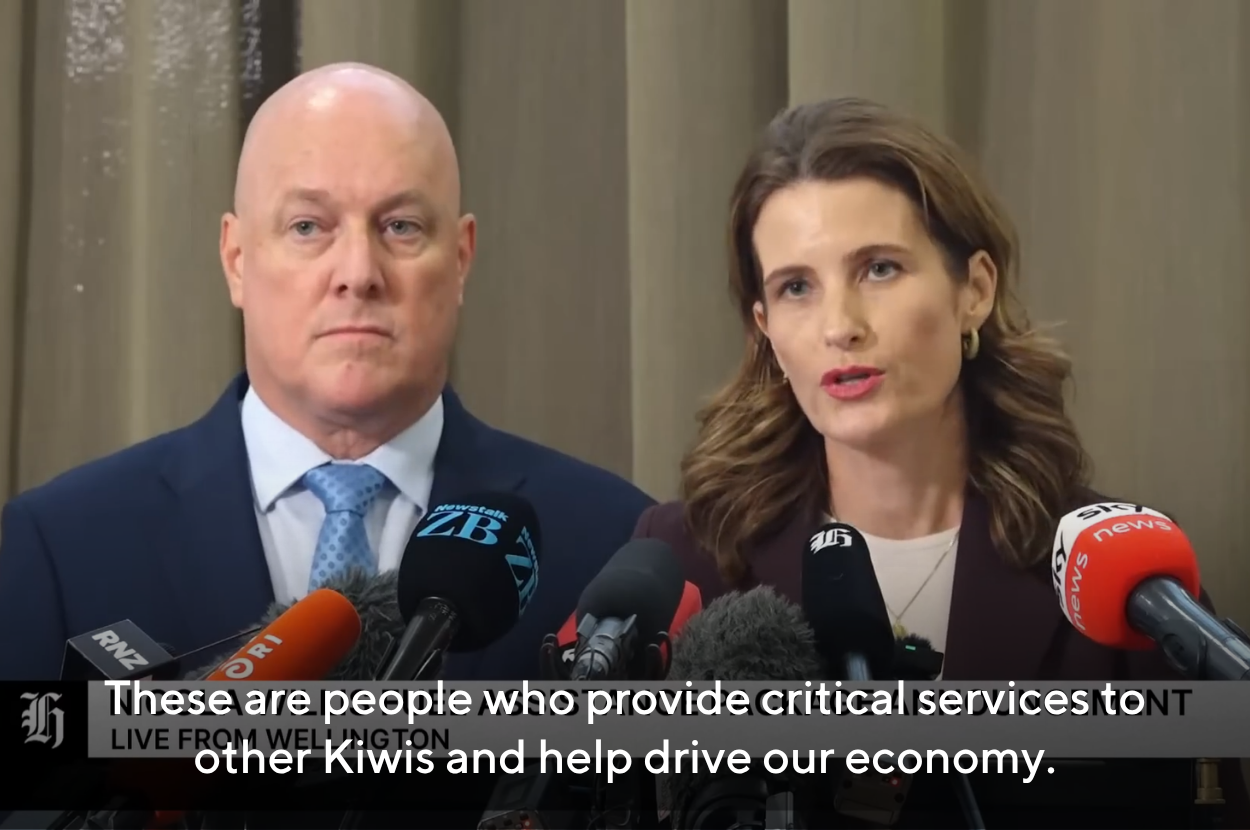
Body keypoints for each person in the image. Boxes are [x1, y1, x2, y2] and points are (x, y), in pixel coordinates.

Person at [631, 97, 1248, 823]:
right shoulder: (684, 564)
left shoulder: (1120, 576)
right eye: (796, 287)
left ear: (974, 291)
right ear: (765, 328)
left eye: (879, 269)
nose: (840, 327)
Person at [0, 63, 653, 681]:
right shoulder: (61, 548)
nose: (358, 274)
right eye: (308, 226)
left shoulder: (610, 543)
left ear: (460, 259)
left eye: (400, 227)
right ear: (236, 258)